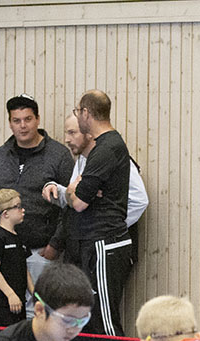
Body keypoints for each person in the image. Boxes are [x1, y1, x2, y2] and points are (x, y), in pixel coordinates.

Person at [0, 95, 74, 316]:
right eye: (16, 120)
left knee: (39, 313)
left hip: (39, 251)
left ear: (37, 119)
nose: (22, 126)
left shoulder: (59, 156)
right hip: (1, 254)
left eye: (27, 119)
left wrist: (55, 244)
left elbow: (70, 204)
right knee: (2, 312)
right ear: (10, 123)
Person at [45, 109, 149, 280]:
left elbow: (139, 201)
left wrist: (109, 229)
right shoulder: (82, 160)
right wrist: (56, 189)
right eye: (66, 133)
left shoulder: (113, 158)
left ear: (88, 133)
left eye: (72, 133)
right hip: (82, 245)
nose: (67, 139)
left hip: (105, 244)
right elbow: (75, 198)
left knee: (102, 298)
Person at [67, 91, 135, 336]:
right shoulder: (104, 147)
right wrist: (78, 189)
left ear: (86, 113)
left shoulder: (106, 149)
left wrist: (72, 190)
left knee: (105, 322)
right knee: (93, 320)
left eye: (78, 112)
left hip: (105, 242)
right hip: (95, 242)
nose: (78, 116)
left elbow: (78, 202)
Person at [0, 189, 32, 328]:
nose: (22, 210)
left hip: (19, 300)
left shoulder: (19, 237)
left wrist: (35, 294)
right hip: (2, 302)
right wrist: (10, 294)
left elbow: (24, 269)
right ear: (5, 213)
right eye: (18, 207)